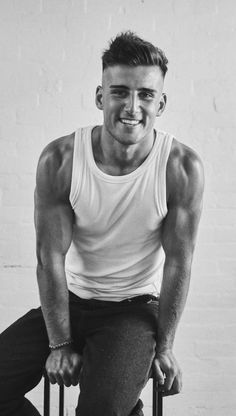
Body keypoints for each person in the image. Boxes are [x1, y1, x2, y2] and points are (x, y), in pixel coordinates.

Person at [0, 31, 204, 416]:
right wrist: (60, 344)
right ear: (100, 96)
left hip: (132, 312)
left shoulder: (181, 167)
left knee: (100, 410)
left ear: (161, 103)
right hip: (69, 303)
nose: (132, 106)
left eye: (146, 94)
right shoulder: (60, 159)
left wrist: (165, 347)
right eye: (120, 92)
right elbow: (49, 258)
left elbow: (180, 261)